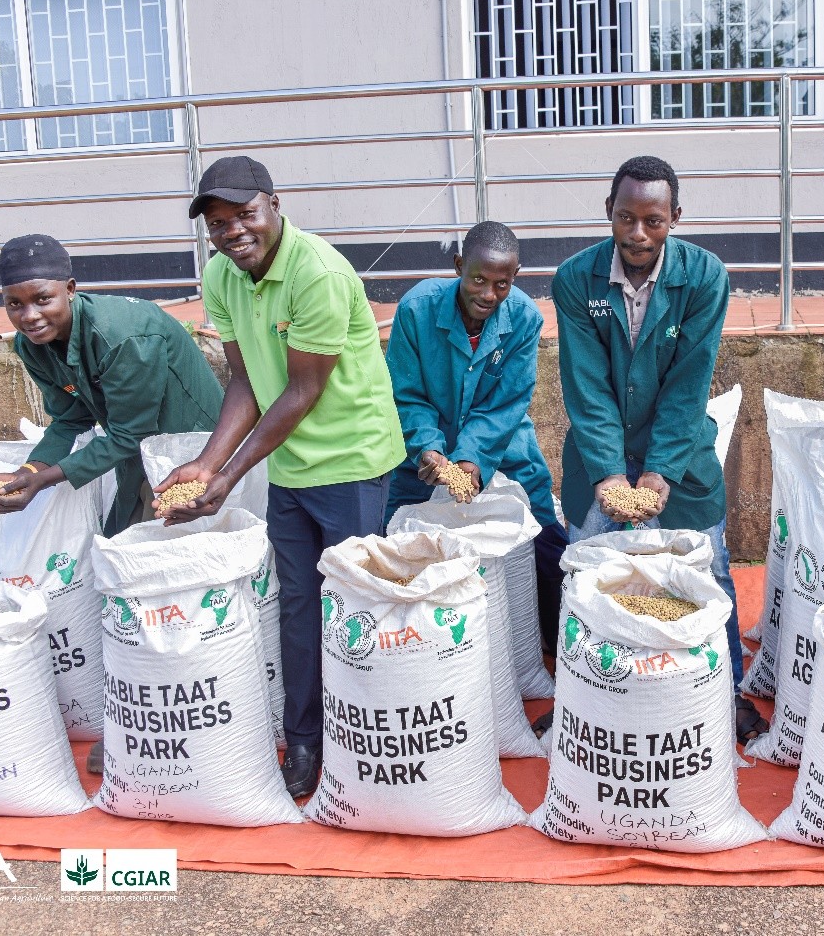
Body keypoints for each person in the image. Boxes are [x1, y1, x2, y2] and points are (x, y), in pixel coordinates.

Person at [156, 156, 405, 798]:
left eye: (244, 214)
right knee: (297, 604)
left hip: (352, 460)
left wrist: (229, 478)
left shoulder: (315, 271)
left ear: (274, 204)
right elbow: (245, 381)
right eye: (218, 223)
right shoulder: (222, 276)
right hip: (290, 464)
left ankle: (370, 734)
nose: (233, 232)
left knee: (353, 601)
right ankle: (304, 741)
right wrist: (207, 465)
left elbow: (300, 392)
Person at [0, 233, 225, 776]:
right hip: (138, 449)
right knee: (124, 565)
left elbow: (129, 433)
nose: (30, 315)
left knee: (191, 576)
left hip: (191, 446)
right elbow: (71, 419)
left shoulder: (122, 335)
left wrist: (45, 481)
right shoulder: (30, 346)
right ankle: (139, 717)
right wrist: (29, 472)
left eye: (42, 299)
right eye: (15, 303)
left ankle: (199, 718)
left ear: (70, 288)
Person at [551, 154, 763, 743]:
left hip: (681, 455)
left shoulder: (703, 277)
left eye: (653, 220)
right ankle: (582, 694)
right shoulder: (575, 279)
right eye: (625, 218)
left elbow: (689, 383)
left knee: (712, 573)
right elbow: (585, 385)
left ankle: (728, 696)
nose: (637, 234)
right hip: (601, 458)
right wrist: (609, 476)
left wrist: (660, 473)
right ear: (608, 214)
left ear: (675, 217)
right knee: (586, 574)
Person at [383, 219, 569, 649]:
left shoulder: (523, 317)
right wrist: (429, 448)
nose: (488, 294)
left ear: (515, 277)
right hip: (422, 450)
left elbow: (506, 403)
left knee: (540, 531)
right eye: (478, 280)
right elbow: (406, 395)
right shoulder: (417, 309)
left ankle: (556, 641)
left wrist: (470, 461)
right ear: (458, 266)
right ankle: (418, 639)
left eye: (501, 284)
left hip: (504, 444)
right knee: (401, 536)